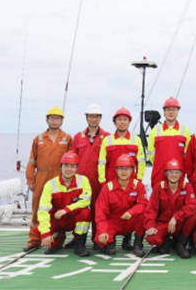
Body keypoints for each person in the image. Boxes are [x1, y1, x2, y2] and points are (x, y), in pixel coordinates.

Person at [24, 106, 73, 251]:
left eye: (57, 118)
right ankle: (34, 240)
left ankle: (58, 240)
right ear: (47, 120)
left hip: (60, 177)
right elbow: (32, 161)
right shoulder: (38, 139)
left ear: (62, 120)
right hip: (41, 177)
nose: (54, 121)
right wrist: (30, 179)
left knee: (58, 208)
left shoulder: (67, 138)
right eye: (52, 118)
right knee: (37, 207)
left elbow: (71, 161)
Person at [97, 107, 146, 251]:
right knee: (111, 212)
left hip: (131, 183)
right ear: (114, 122)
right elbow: (102, 162)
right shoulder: (108, 140)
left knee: (132, 210)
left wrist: (138, 180)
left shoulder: (136, 140)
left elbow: (141, 162)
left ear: (129, 122)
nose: (122, 122)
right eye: (119, 119)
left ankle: (128, 240)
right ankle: (110, 239)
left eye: (125, 119)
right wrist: (103, 182)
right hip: (111, 183)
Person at [33, 151, 92, 257]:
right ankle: (57, 242)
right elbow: (43, 210)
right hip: (57, 220)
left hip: (72, 219)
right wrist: (45, 233)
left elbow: (85, 201)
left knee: (85, 212)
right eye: (66, 165)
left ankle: (79, 244)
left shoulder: (83, 181)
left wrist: (66, 210)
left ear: (77, 168)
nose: (69, 169)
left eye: (72, 166)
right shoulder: (50, 185)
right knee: (38, 230)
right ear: (60, 167)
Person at [71, 103, 109, 249]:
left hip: (98, 180)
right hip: (80, 182)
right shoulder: (78, 137)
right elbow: (72, 159)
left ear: (100, 118)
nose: (94, 119)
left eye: (97, 116)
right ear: (86, 118)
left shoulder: (107, 137)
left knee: (98, 210)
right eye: (91, 116)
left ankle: (97, 239)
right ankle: (77, 239)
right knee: (79, 209)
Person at [95, 154, 148, 257]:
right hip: (113, 223)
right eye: (121, 168)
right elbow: (100, 212)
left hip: (129, 221)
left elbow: (143, 204)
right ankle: (111, 242)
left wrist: (131, 212)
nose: (124, 171)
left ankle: (138, 244)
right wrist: (102, 231)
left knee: (143, 216)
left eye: (127, 168)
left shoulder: (138, 185)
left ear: (132, 170)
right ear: (116, 170)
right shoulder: (107, 188)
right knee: (100, 240)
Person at [144, 158, 196, 258]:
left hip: (179, 223)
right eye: (171, 172)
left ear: (181, 174)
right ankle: (166, 242)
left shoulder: (187, 186)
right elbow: (151, 209)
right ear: (166, 174)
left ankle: (181, 243)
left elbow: (192, 206)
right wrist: (150, 226)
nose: (173, 175)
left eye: (177, 172)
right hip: (164, 224)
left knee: (193, 216)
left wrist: (176, 217)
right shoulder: (159, 187)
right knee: (151, 238)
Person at [147, 97, 192, 189]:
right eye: (168, 110)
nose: (171, 112)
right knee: (158, 195)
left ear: (177, 112)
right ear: (164, 112)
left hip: (178, 174)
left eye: (174, 109)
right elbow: (151, 154)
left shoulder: (185, 131)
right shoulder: (155, 131)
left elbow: (188, 155)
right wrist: (160, 164)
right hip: (159, 174)